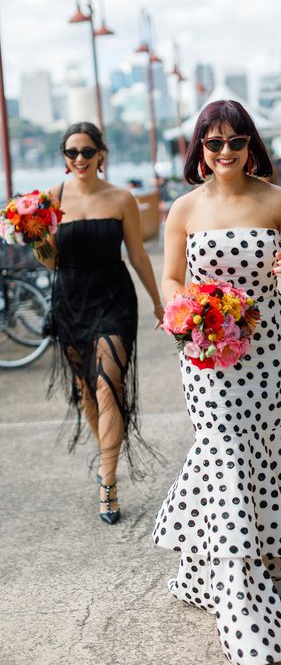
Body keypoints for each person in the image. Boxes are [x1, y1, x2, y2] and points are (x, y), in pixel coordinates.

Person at [153, 100, 281, 665]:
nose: (224, 152)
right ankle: (242, 599)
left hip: (268, 354)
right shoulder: (183, 208)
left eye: (235, 142)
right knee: (223, 452)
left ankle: (272, 561)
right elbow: (170, 277)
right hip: (205, 354)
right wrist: (189, 311)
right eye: (213, 144)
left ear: (250, 145)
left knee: (257, 449)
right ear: (199, 150)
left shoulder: (279, 201)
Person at [34, 121, 164, 525]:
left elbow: (138, 256)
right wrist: (37, 236)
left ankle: (107, 481)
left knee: (110, 387)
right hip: (70, 300)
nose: (79, 160)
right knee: (87, 393)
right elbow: (50, 262)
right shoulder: (50, 200)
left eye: (86, 152)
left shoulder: (122, 198)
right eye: (71, 153)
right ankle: (106, 457)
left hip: (113, 299)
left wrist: (160, 304)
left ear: (101, 154)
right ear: (64, 157)